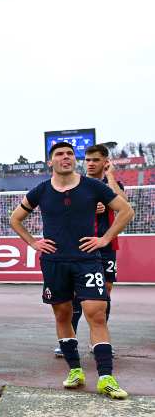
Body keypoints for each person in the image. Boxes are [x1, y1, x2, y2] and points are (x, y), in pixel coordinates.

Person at [10, 141, 134, 399]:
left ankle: (106, 377)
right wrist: (33, 242)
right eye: (59, 154)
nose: (65, 157)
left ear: (74, 159)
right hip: (54, 262)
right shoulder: (40, 191)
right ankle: (75, 370)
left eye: (69, 154)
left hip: (87, 259)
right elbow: (15, 219)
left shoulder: (93, 186)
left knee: (95, 313)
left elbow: (125, 210)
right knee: (63, 314)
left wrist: (105, 239)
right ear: (50, 161)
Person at [53, 144, 129, 357]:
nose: (91, 164)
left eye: (96, 160)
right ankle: (70, 340)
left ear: (106, 162)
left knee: (103, 294)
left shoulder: (112, 183)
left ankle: (98, 342)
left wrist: (110, 176)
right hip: (80, 246)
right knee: (75, 294)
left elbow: (123, 204)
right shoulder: (75, 182)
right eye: (87, 160)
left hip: (105, 246)